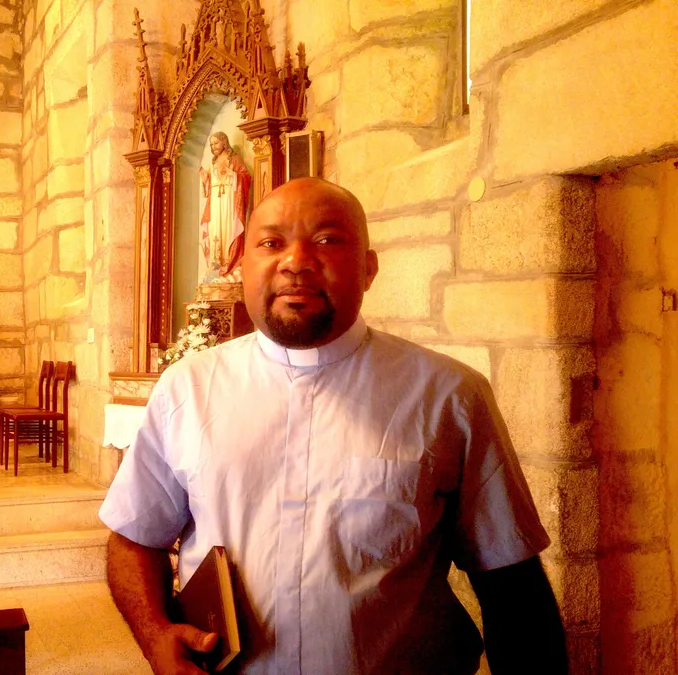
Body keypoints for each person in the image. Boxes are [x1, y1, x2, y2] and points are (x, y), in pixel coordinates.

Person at [100, 178, 568, 675]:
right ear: (241, 266)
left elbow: (511, 582)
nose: (295, 261)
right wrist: (155, 634)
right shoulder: (187, 388)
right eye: (271, 242)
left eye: (326, 239)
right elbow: (134, 536)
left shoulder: (448, 395)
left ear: (368, 269)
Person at [198, 131, 250, 282]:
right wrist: (204, 180)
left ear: (224, 142)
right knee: (215, 229)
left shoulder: (234, 159)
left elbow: (246, 177)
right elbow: (207, 190)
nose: (213, 146)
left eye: (216, 143)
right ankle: (216, 264)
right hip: (215, 201)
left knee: (228, 229)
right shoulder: (213, 163)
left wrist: (233, 175)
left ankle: (229, 264)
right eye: (211, 144)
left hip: (229, 200)